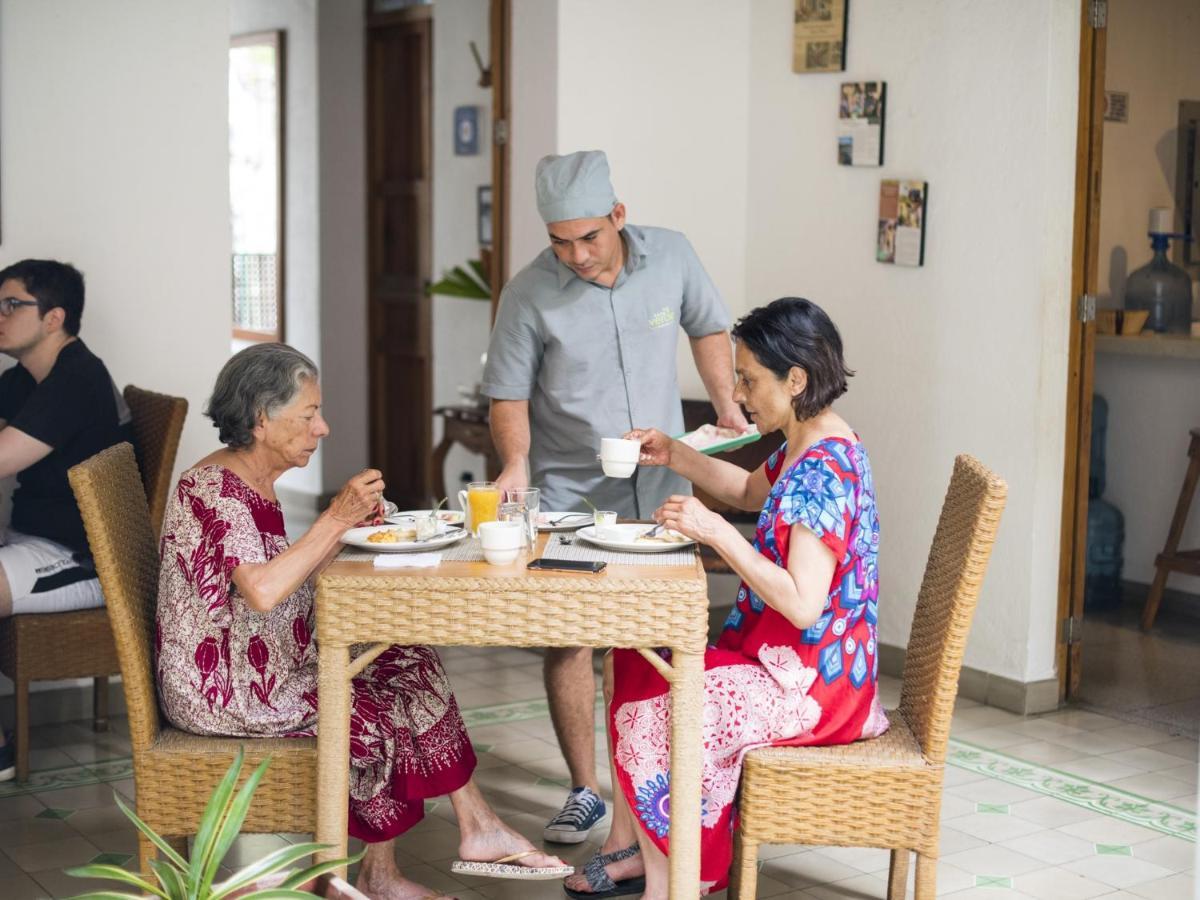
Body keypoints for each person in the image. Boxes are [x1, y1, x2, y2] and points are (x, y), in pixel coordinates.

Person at [155, 344, 568, 900]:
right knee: (376, 707)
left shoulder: (250, 478)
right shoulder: (214, 489)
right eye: (308, 415)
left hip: (260, 660)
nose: (322, 427)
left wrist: (344, 530)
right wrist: (334, 520)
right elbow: (264, 590)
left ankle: (469, 830)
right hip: (226, 689)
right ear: (260, 417)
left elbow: (283, 578)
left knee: (405, 653)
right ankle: (385, 875)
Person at [563, 298, 889, 898]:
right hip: (786, 666)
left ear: (796, 379)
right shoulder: (805, 440)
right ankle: (649, 851)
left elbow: (802, 604)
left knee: (665, 705)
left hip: (813, 689)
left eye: (749, 379)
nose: (738, 394)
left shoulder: (824, 467)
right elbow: (744, 489)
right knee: (633, 657)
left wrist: (713, 533)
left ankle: (675, 882)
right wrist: (675, 452)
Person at [481, 150, 748, 845]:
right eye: (560, 242)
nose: (576, 254)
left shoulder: (672, 257)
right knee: (570, 635)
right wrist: (515, 462)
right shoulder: (527, 293)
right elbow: (507, 394)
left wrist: (725, 403)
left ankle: (656, 787)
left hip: (660, 480)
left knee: (661, 635)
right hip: (570, 487)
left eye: (589, 237)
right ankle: (585, 791)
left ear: (618, 217)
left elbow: (709, 326)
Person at [0, 259, 132, 782]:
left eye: (12, 305)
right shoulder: (23, 379)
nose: (0, 316)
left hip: (85, 557)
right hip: (35, 542)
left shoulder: (75, 378)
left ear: (53, 318)